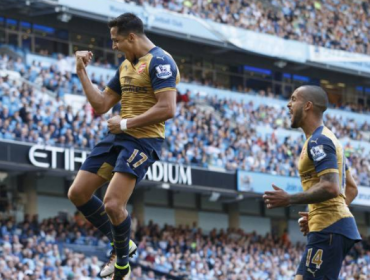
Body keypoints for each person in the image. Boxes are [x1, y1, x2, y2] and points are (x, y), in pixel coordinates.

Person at [68, 13, 179, 280]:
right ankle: (123, 244)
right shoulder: (127, 65)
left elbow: (168, 108)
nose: (114, 45)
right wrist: (82, 73)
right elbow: (101, 105)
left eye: (116, 40)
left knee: (113, 205)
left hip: (143, 139)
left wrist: (126, 124)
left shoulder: (161, 61)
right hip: (120, 135)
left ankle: (122, 266)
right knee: (78, 193)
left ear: (131, 37)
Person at [262, 85, 361, 280]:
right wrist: (317, 213)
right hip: (328, 227)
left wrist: (289, 199)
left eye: (293, 99)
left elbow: (332, 187)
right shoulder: (326, 139)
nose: (288, 105)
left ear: (307, 105)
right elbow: (351, 188)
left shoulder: (319, 141)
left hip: (329, 230)